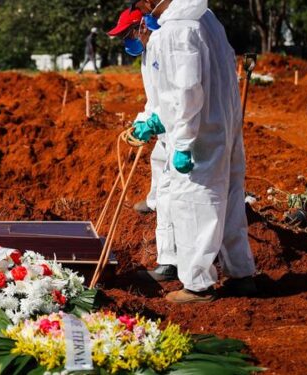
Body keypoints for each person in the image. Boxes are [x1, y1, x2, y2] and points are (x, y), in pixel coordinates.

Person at [133, 0, 257, 303]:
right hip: (223, 127)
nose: (144, 11)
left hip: (197, 135)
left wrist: (183, 141)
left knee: (192, 205)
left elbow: (186, 91)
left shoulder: (176, 30)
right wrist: (157, 117)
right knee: (228, 201)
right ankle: (241, 274)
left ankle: (198, 285)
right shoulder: (207, 18)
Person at [108, 6, 176, 282]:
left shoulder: (163, 47)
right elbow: (154, 100)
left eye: (127, 34)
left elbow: (176, 95)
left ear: (142, 28)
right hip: (165, 125)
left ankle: (169, 262)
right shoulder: (147, 55)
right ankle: (152, 200)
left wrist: (155, 122)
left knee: (171, 194)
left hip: (179, 127)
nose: (126, 41)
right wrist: (143, 122)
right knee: (158, 160)